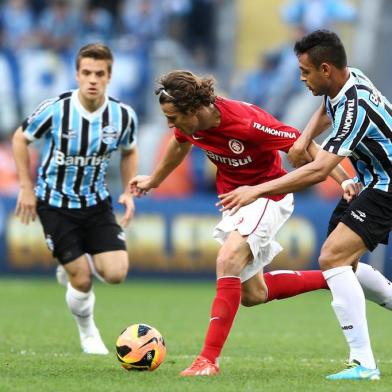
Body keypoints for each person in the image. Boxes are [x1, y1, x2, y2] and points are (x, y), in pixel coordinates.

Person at [129, 69, 392, 377]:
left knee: (227, 259)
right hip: (235, 200)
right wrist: (154, 179)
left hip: (269, 196)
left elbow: (301, 143)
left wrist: (343, 179)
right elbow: (180, 143)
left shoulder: (246, 122)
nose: (170, 124)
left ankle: (207, 360)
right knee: (254, 294)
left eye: (173, 117)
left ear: (194, 109)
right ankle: (338, 277)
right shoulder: (189, 124)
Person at [217, 30, 392, 381]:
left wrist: (258, 191)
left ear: (325, 69)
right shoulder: (346, 78)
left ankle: (364, 364)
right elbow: (325, 110)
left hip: (387, 186)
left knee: (332, 258)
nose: (301, 78)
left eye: (305, 71)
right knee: (346, 268)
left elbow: (318, 170)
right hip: (372, 182)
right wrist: (304, 136)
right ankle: (364, 362)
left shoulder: (355, 106)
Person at [12, 43, 138, 355]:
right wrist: (27, 188)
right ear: (77, 74)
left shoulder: (122, 115)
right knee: (81, 280)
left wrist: (128, 189)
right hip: (55, 203)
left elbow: (130, 149)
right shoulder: (56, 109)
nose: (92, 79)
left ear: (109, 76)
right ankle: (88, 333)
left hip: (96, 203)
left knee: (117, 274)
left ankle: (73, 260)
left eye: (99, 73)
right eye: (86, 73)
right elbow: (20, 138)